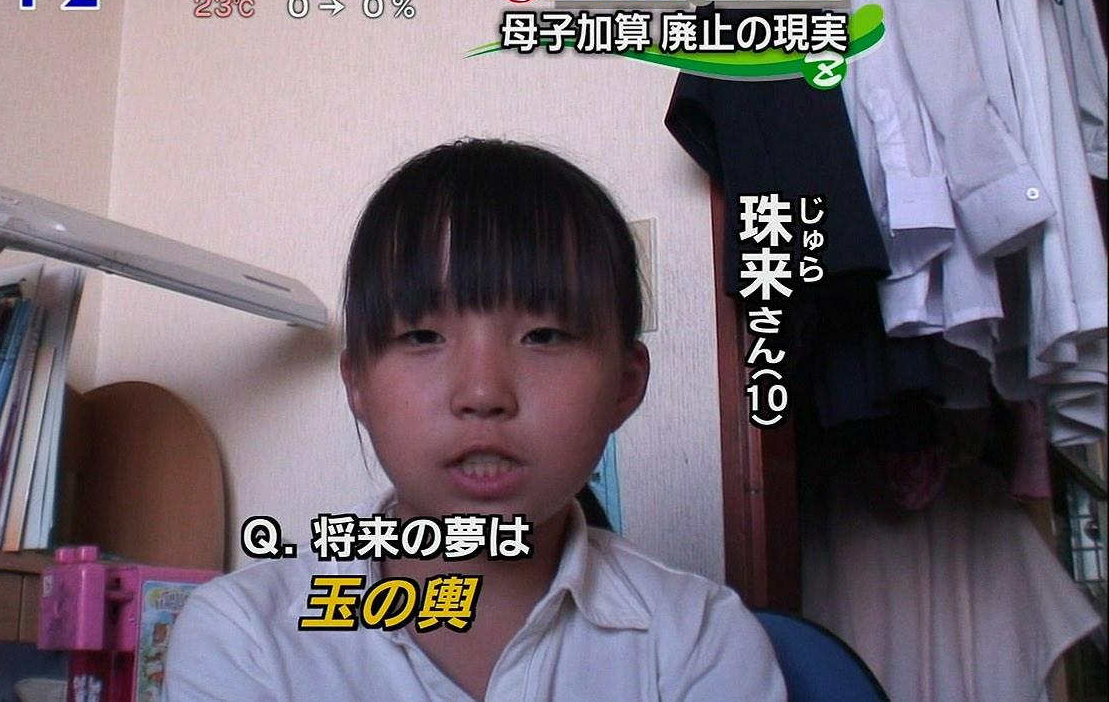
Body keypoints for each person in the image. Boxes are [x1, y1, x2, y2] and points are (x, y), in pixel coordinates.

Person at [164, 139, 786, 701]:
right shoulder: (246, 637)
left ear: (625, 384)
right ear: (357, 383)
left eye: (544, 335)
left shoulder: (699, 641)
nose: (483, 393)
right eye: (423, 336)